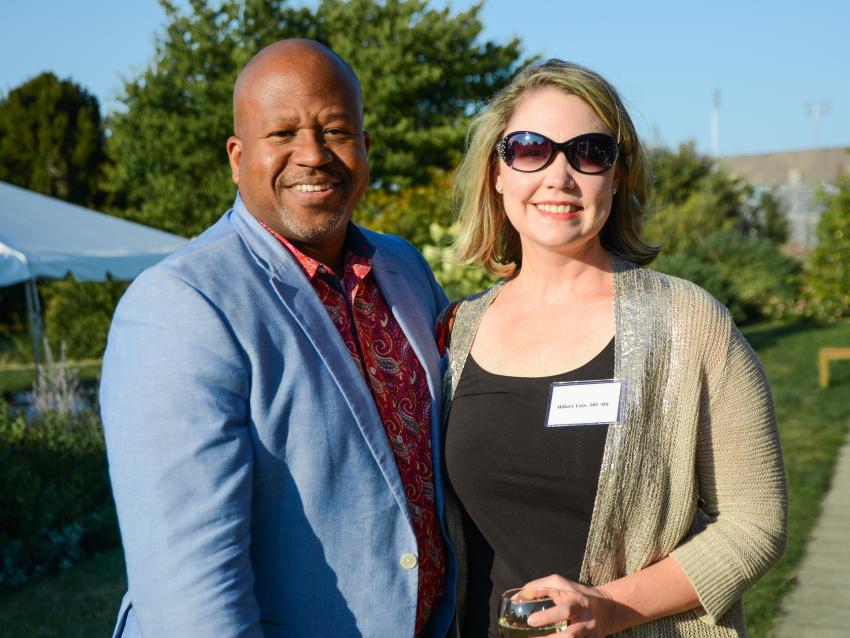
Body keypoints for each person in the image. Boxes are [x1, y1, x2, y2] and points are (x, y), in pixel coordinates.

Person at [101, 39, 456, 638]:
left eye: (336, 130)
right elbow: (190, 597)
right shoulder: (181, 304)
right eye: (282, 133)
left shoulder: (404, 269)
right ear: (238, 158)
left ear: (366, 148)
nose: (312, 155)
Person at [439, 59, 787, 637]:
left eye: (589, 151)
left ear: (618, 174)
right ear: (497, 173)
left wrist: (610, 607)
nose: (558, 175)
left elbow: (756, 522)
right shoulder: (456, 331)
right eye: (529, 149)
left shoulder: (688, 323)